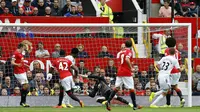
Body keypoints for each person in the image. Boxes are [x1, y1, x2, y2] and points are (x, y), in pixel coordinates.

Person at [104, 40, 141, 111]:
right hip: (126, 72)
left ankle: (108, 102)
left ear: (125, 45)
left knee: (117, 88)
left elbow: (121, 62)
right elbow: (127, 59)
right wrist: (131, 68)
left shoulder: (120, 53)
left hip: (120, 72)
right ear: (131, 46)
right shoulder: (129, 52)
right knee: (131, 88)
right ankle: (135, 105)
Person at [163, 37, 185, 107]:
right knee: (175, 86)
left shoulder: (166, 50)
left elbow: (167, 60)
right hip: (177, 71)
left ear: (166, 43)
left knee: (168, 87)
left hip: (170, 71)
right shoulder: (177, 51)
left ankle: (168, 104)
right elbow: (179, 62)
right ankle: (182, 98)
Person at [11, 43, 30, 107]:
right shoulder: (15, 53)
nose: (24, 49)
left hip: (23, 71)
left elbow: (20, 62)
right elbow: (12, 62)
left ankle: (23, 102)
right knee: (26, 87)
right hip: (18, 72)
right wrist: (17, 65)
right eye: (24, 48)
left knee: (26, 87)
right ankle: (22, 102)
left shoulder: (20, 54)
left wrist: (25, 65)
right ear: (21, 47)